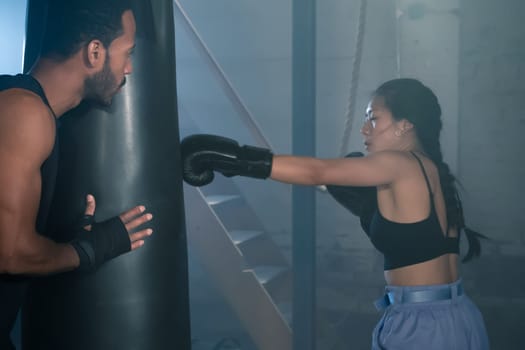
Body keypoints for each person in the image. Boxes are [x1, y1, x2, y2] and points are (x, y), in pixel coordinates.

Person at [180, 78, 490, 349]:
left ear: (405, 124)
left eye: (374, 118)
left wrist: (237, 159)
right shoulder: (432, 171)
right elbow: (418, 243)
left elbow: (318, 171)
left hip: (422, 326)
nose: (364, 128)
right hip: (456, 316)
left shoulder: (399, 163)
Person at [0, 1, 153, 348]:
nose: (129, 68)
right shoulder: (25, 114)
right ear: (95, 52)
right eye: (126, 52)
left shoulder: (23, 107)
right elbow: (9, 253)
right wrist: (89, 249)